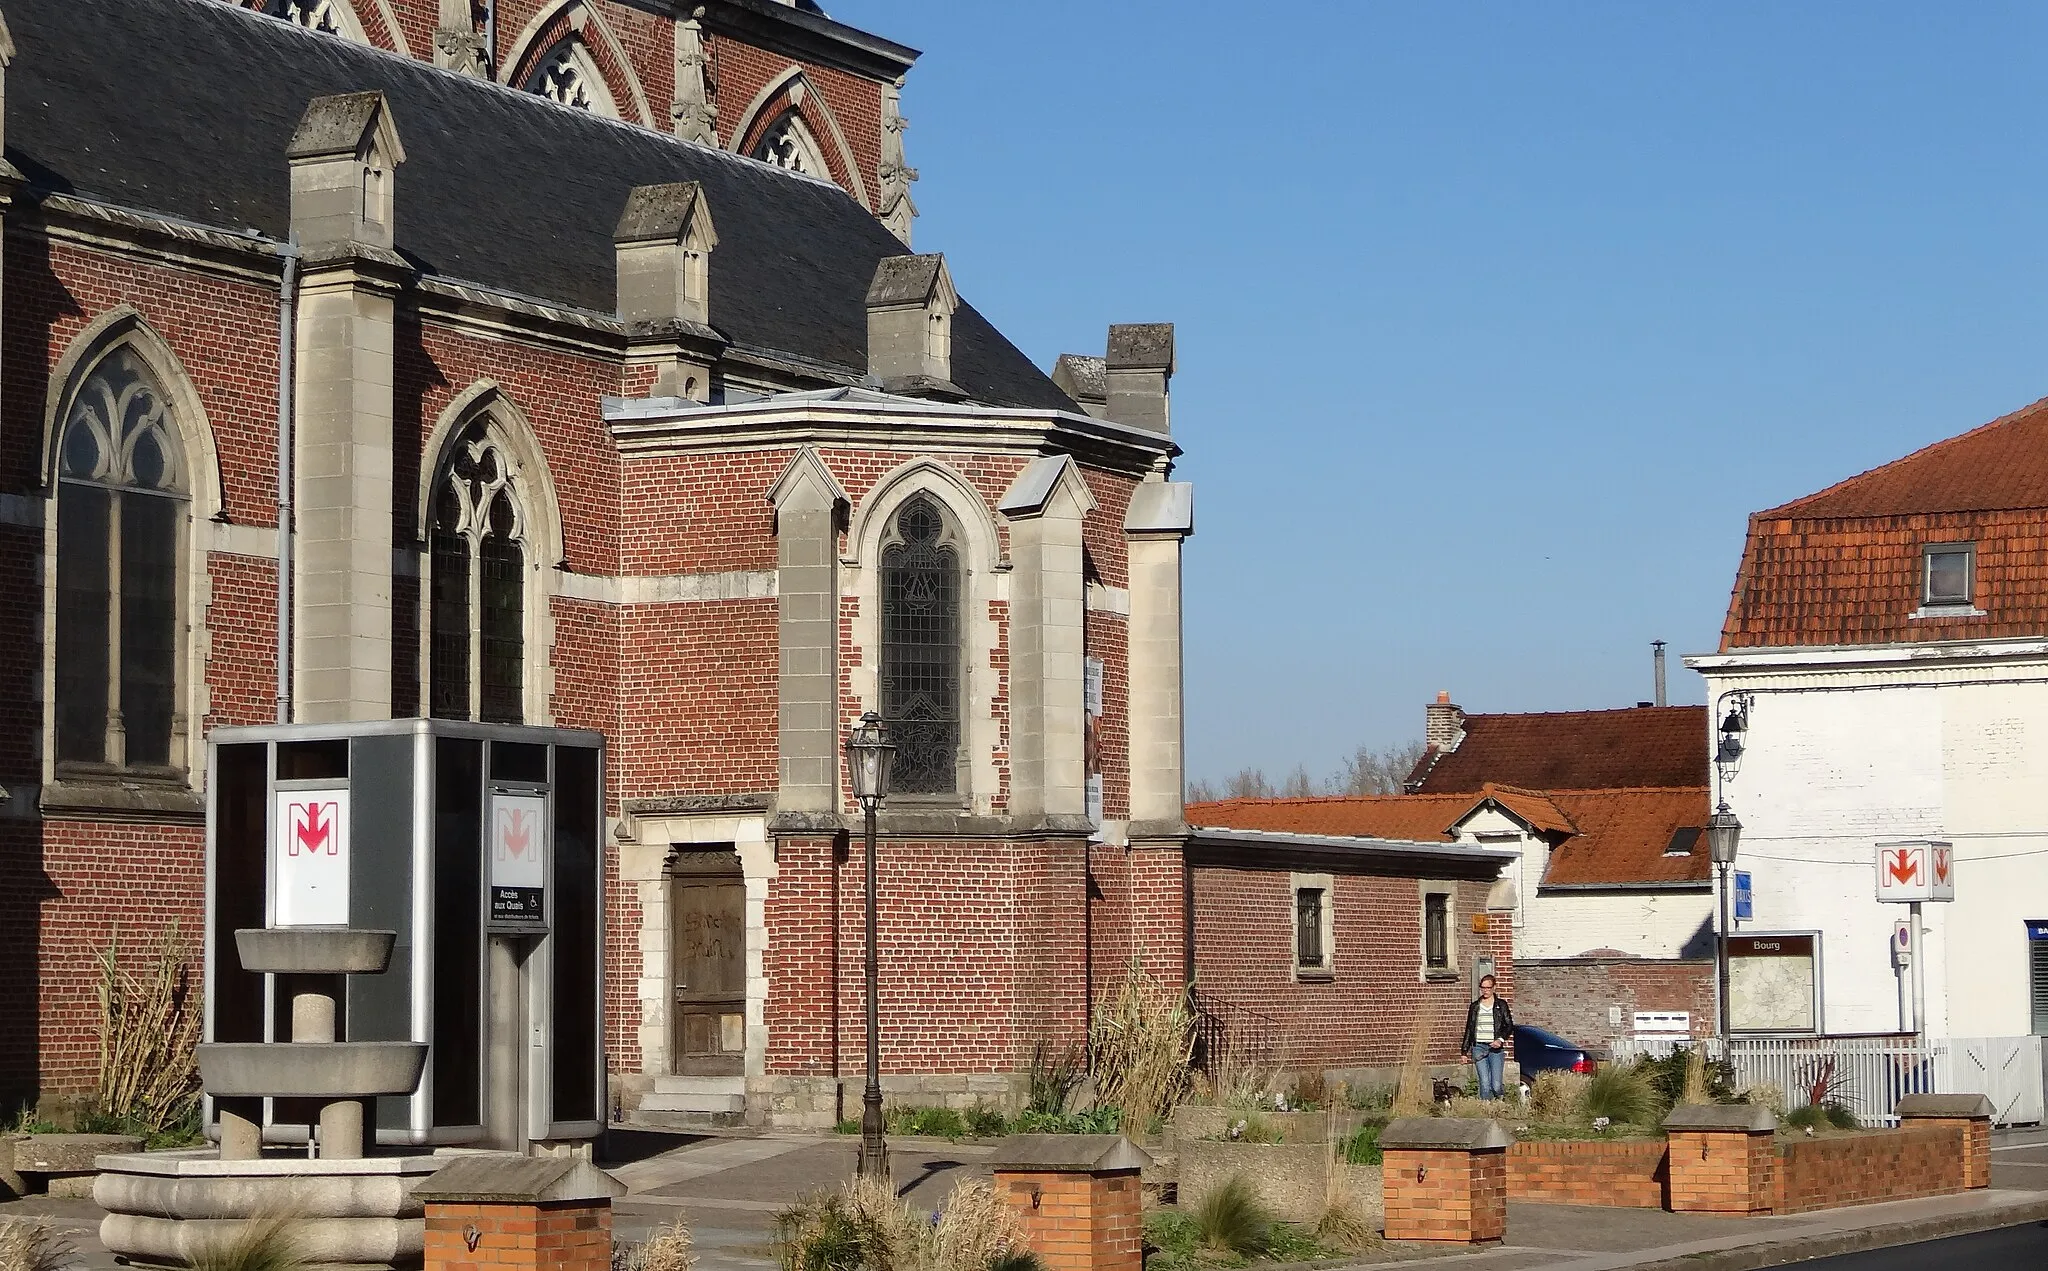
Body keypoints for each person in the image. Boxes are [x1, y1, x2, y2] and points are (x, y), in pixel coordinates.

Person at [1459, 974, 1513, 1101]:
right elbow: (1469, 1028)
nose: (1485, 990)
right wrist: (1464, 1052)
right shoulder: (1475, 1006)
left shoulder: (1501, 1005)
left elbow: (1509, 1025)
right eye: (1483, 988)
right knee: (1484, 1083)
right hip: (1479, 1047)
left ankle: (1500, 1102)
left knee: (1496, 1085)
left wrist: (1500, 1040)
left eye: (1488, 988)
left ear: (1494, 987)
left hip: (1495, 1049)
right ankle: (1485, 1110)